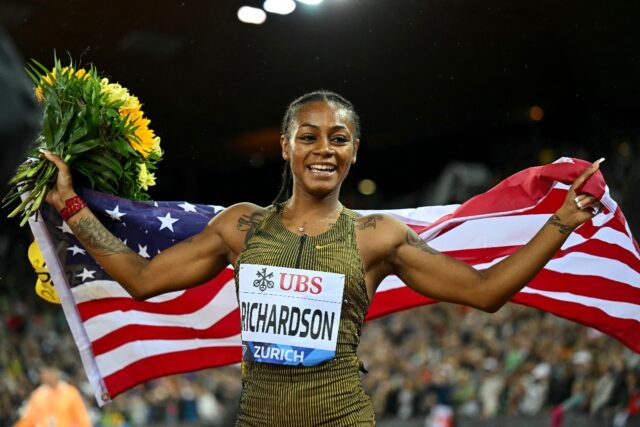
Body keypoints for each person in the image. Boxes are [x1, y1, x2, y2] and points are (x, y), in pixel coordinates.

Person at [41, 90, 603, 426]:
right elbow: (140, 280)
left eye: (339, 138)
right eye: (309, 136)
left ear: (355, 150)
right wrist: (70, 204)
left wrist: (560, 223)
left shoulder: (379, 236)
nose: (324, 150)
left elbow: (485, 292)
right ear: (285, 145)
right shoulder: (241, 226)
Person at [14, 366, 92, 427]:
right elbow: (27, 419)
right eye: (44, 373)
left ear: (56, 373)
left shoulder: (70, 392)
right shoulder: (37, 395)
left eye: (49, 372)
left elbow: (81, 417)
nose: (47, 376)